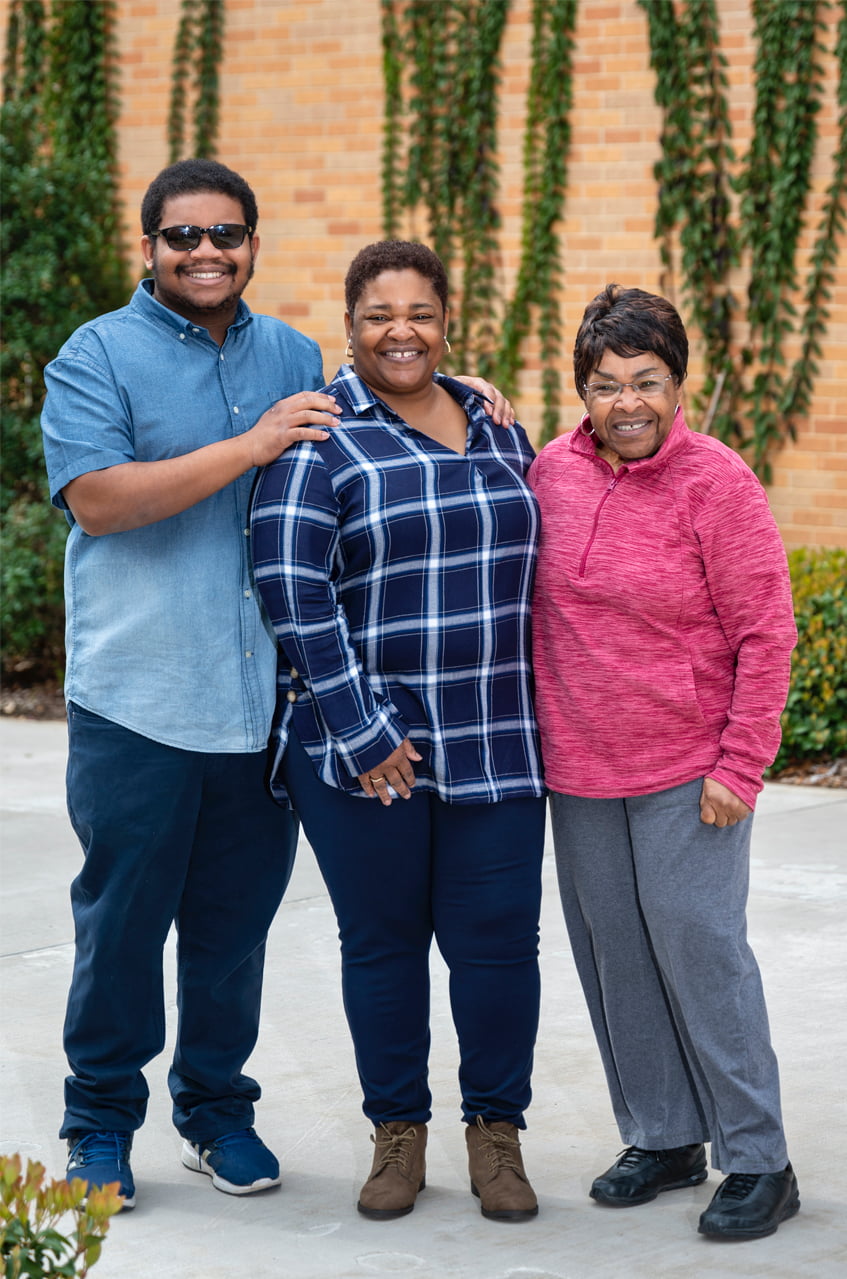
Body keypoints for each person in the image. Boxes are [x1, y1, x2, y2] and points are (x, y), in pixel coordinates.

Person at [40, 160, 514, 1212]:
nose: (205, 252)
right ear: (150, 248)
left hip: (263, 712)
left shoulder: (292, 353)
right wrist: (248, 444)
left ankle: (214, 1113)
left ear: (252, 244)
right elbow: (99, 500)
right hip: (140, 703)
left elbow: (385, 387)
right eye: (183, 236)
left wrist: (462, 391)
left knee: (232, 930)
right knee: (120, 925)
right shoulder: (96, 356)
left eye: (226, 234)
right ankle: (99, 1123)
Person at [250, 240, 547, 1223]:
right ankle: (397, 1132)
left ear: (446, 317)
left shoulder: (499, 427)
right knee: (383, 946)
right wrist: (361, 725)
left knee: (498, 946)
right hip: (367, 752)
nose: (401, 330)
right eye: (380, 313)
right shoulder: (320, 437)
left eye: (419, 310)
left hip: (497, 736)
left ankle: (495, 1133)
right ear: (351, 324)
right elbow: (290, 587)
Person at [528, 283, 799, 1241]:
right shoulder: (547, 471)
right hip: (578, 768)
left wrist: (740, 762)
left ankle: (758, 1154)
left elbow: (766, 631)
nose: (627, 402)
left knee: (700, 947)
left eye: (647, 381)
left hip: (689, 768)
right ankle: (663, 1134)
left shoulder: (715, 481)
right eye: (606, 385)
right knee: (616, 958)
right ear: (582, 393)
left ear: (680, 386)